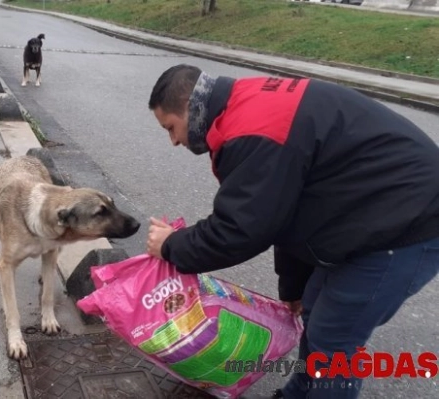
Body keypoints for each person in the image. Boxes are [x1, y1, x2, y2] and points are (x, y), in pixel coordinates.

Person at [145, 64, 439, 399]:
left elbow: (241, 229)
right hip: (370, 209)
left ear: (190, 107)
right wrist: (294, 287)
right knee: (314, 311)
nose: (173, 141)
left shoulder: (251, 131)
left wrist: (171, 245)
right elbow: (284, 213)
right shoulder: (241, 106)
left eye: (171, 127)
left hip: (407, 221)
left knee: (334, 339)